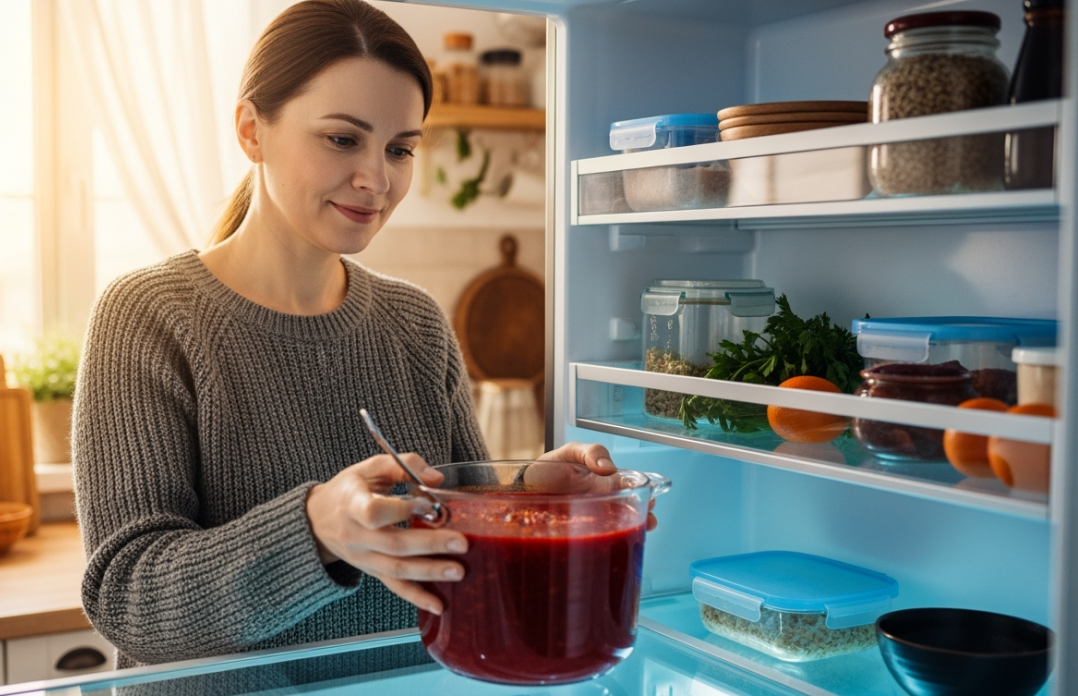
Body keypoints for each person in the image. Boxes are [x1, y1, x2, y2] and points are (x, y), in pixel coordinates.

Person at [72, 0, 655, 671]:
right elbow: (127, 598)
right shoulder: (146, 317)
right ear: (250, 130)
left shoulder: (415, 322)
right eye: (343, 139)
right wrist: (316, 529)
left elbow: (459, 522)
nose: (377, 180)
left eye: (400, 149)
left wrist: (531, 492)